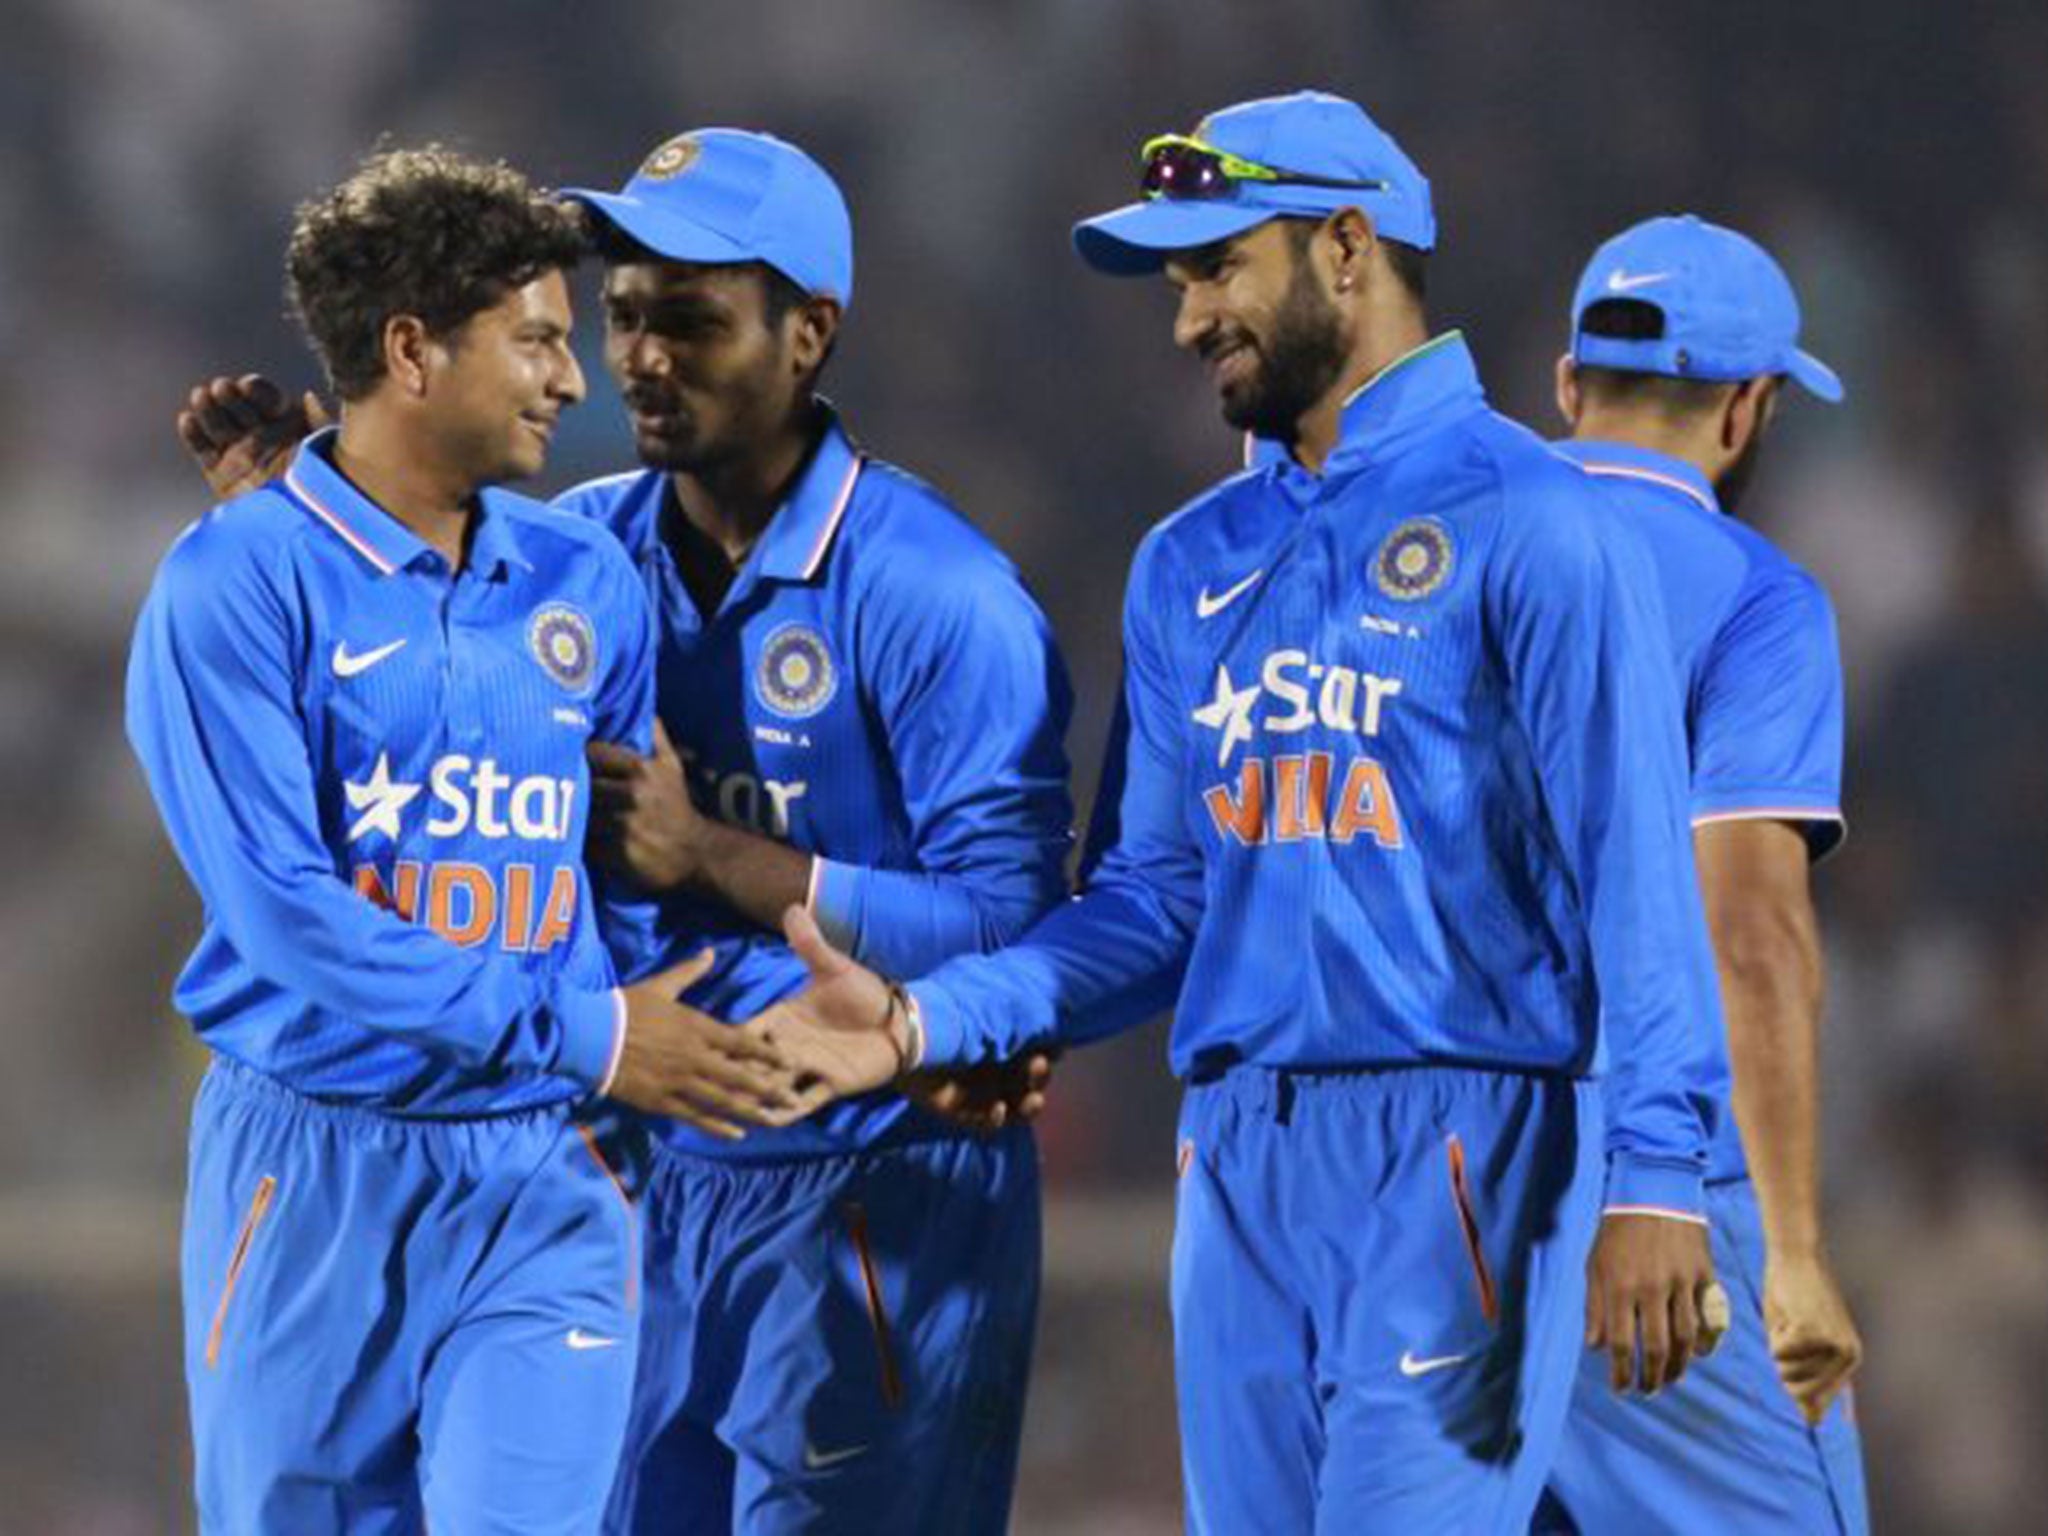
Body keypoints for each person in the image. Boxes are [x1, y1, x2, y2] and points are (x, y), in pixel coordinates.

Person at [752, 90, 1732, 1533]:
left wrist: (1664, 1176)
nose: (1188, 317)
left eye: (1218, 267)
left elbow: (1635, 869)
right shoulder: (1186, 561)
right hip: (1235, 1167)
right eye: (1179, 281)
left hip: (1463, 1146)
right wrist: (929, 1019)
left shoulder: (1538, 519)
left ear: (1347, 246)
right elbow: (1151, 901)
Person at [173, 129, 1071, 1535]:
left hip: (844, 1183)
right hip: (627, 1135)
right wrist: (310, 523)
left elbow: (1014, 925)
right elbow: (547, 896)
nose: (625, 363)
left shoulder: (940, 593)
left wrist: (901, 1039)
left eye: (688, 321)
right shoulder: (579, 548)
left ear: (809, 334)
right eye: (619, 317)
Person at [127, 146, 798, 1534]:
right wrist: (592, 1035)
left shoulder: (581, 582)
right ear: (413, 349)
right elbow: (288, 919)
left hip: (537, 1170)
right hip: (310, 1170)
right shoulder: (233, 589)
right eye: (541, 342)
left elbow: (617, 892)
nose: (574, 381)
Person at [1532, 214, 1870, 1534]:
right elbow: (1750, 935)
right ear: (1749, 407)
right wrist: (1791, 1250)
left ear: (1567, 384)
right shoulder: (1753, 596)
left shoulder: (1433, 567)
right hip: (1657, 1205)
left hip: (1424, 1195)